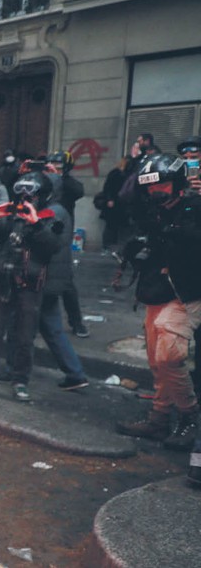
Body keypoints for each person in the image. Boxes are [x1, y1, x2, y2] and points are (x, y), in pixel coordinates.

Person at [116, 152, 201, 451]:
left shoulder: (194, 206)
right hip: (158, 290)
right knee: (156, 359)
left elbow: (191, 239)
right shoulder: (153, 210)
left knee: (168, 354)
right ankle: (159, 418)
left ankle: (190, 416)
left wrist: (167, 233)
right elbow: (126, 196)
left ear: (177, 184)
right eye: (151, 188)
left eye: (161, 187)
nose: (155, 193)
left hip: (187, 292)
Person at [0, 172, 60, 402]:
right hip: (3, 281)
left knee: (24, 338)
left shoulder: (50, 218)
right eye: (21, 194)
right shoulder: (10, 220)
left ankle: (20, 380)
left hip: (30, 286)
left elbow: (53, 248)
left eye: (30, 195)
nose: (25, 199)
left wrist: (36, 224)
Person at [38, 174, 89, 390]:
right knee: (52, 328)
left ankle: (14, 369)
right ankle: (75, 373)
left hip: (44, 279)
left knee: (23, 325)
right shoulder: (60, 210)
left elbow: (44, 245)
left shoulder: (52, 212)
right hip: (53, 279)